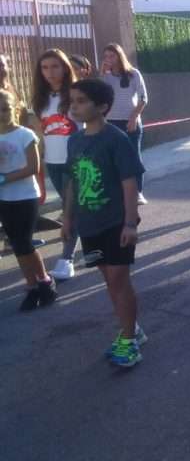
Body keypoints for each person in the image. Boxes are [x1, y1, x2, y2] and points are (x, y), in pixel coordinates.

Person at [64, 79, 145, 366]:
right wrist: (67, 217)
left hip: (115, 223)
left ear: (102, 107)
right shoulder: (74, 140)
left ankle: (129, 340)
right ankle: (131, 328)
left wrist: (130, 223)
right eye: (72, 100)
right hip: (89, 225)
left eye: (82, 100)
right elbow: (72, 181)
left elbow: (128, 182)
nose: (74, 106)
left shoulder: (116, 139)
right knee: (109, 281)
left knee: (118, 280)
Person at [0, 89, 57, 312]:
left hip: (25, 197)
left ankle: (44, 280)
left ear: (14, 109)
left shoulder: (25, 135)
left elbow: (33, 168)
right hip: (4, 199)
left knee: (24, 242)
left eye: (5, 109)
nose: (1, 114)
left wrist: (4, 178)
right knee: (16, 244)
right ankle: (32, 286)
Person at [30, 49, 79, 280]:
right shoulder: (41, 98)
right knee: (74, 208)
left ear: (65, 67)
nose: (50, 72)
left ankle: (66, 259)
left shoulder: (77, 93)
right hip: (53, 161)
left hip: (75, 162)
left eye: (55, 66)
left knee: (70, 211)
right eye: (45, 67)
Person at [99, 43, 148, 204]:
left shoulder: (133, 74)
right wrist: (101, 73)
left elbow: (143, 98)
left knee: (133, 157)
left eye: (112, 56)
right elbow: (99, 96)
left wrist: (133, 118)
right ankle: (118, 192)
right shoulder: (106, 76)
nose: (108, 59)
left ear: (119, 56)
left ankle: (138, 192)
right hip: (111, 122)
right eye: (106, 56)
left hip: (130, 122)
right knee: (113, 159)